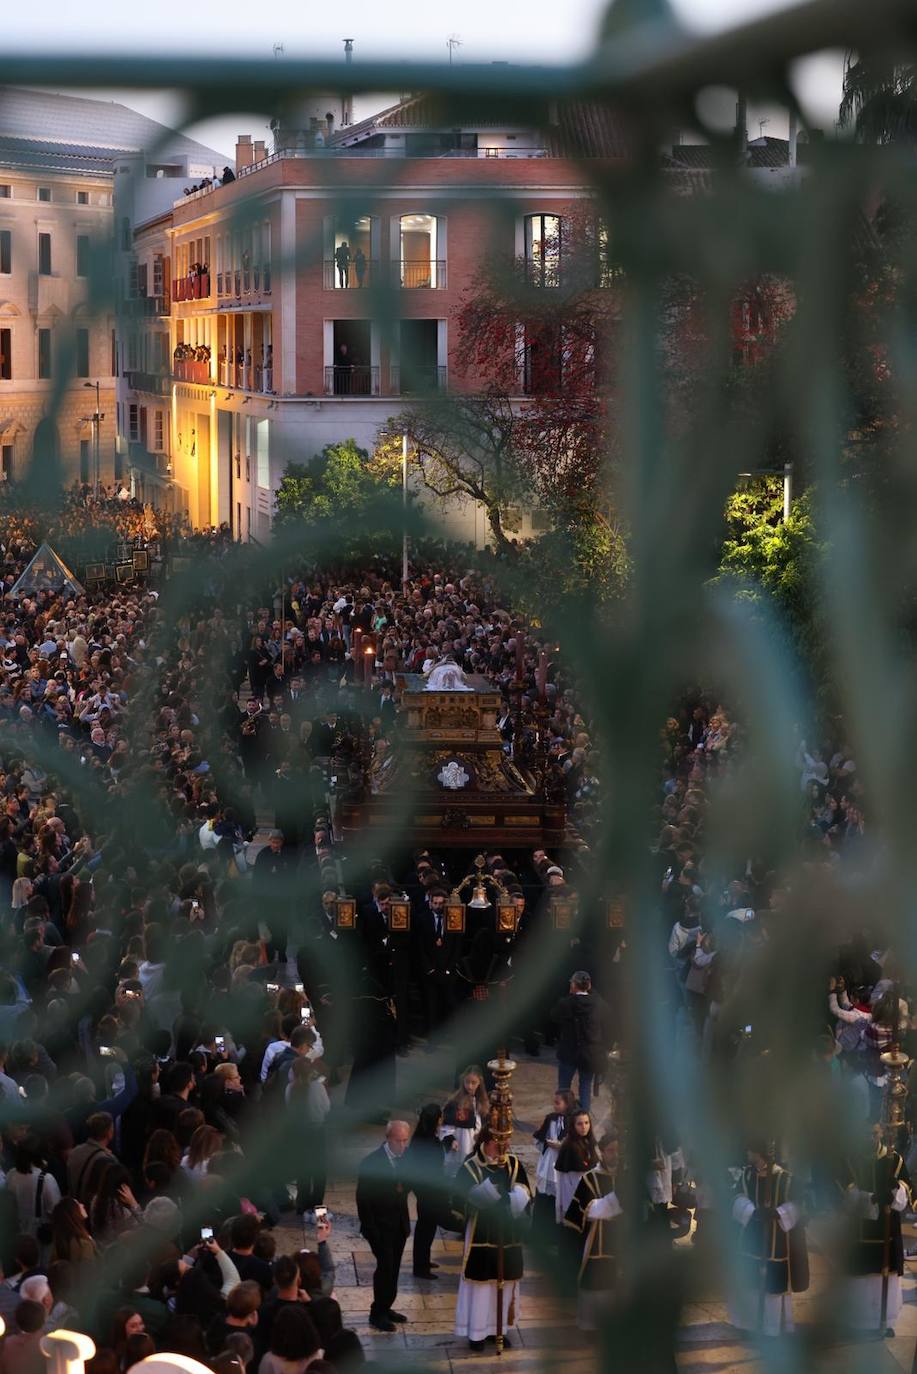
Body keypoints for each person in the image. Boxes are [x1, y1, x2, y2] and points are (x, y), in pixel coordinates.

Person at [452, 1126, 531, 1351]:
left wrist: (513, 1198)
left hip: (508, 1234)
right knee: (481, 1286)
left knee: (505, 1283)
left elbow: (525, 1190)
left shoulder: (513, 1164)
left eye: (506, 1141)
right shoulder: (471, 1166)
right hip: (481, 1234)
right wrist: (482, 1196)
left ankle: (498, 1330)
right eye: (498, 1142)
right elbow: (459, 1199)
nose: (503, 1147)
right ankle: (477, 1333)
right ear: (486, 1141)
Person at [729, 1141, 809, 1337]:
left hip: (776, 1242)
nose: (747, 1152)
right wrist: (752, 1211)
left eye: (750, 1149)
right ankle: (749, 1325)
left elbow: (800, 1204)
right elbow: (735, 1197)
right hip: (751, 1240)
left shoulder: (785, 1178)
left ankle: (771, 1328)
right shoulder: (747, 1175)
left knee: (773, 1286)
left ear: (760, 1152)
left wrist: (778, 1213)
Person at [839, 1123, 911, 1336]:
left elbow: (907, 1188)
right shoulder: (851, 1160)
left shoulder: (895, 1160)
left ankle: (884, 1321)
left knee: (885, 1276)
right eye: (865, 1134)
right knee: (861, 1278)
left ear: (881, 1134)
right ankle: (860, 1324)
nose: (870, 1138)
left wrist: (895, 1192)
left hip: (888, 1230)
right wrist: (871, 1199)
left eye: (874, 1134)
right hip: (861, 1230)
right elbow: (846, 1194)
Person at [355, 1120, 411, 1333]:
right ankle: (377, 1313)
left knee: (394, 1269)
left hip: (399, 1225)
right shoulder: (371, 1163)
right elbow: (363, 1199)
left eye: (405, 1140)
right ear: (388, 1139)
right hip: (379, 1228)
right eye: (398, 1141)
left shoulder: (406, 1158)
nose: (402, 1145)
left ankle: (386, 1306)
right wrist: (371, 1229)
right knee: (385, 1269)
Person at [550, 971, 610, 1111]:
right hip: (589, 1053)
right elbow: (608, 1018)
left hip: (569, 1052)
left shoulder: (566, 1003)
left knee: (563, 1088)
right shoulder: (598, 1003)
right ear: (588, 985)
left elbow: (553, 1015)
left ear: (574, 985)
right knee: (585, 1086)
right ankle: (583, 1117)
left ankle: (563, 1117)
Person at [404, 1104, 449, 1279]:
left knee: (428, 1228)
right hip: (429, 1192)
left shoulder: (422, 1138)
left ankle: (424, 1260)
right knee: (425, 1229)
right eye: (440, 1117)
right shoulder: (428, 1143)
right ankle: (420, 1267)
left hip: (426, 1190)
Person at [532, 1090, 576, 1242]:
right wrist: (546, 1143)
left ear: (567, 1103)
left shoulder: (573, 1121)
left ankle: (555, 1236)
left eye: (558, 1103)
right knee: (543, 1196)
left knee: (558, 1198)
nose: (555, 1105)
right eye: (554, 1102)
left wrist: (562, 1147)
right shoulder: (550, 1118)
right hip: (548, 1162)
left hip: (562, 1163)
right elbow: (540, 1137)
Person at [553, 1109, 599, 1228]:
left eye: (586, 1123)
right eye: (579, 1124)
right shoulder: (570, 1146)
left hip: (587, 1189)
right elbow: (573, 1175)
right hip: (573, 1190)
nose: (584, 1127)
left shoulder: (588, 1141)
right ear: (573, 1126)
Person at [439, 1067, 489, 1175]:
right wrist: (451, 1140)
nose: (470, 1086)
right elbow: (446, 1125)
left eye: (473, 1083)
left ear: (479, 1083)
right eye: (467, 1082)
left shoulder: (481, 1101)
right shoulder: (455, 1102)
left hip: (475, 1145)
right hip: (460, 1144)